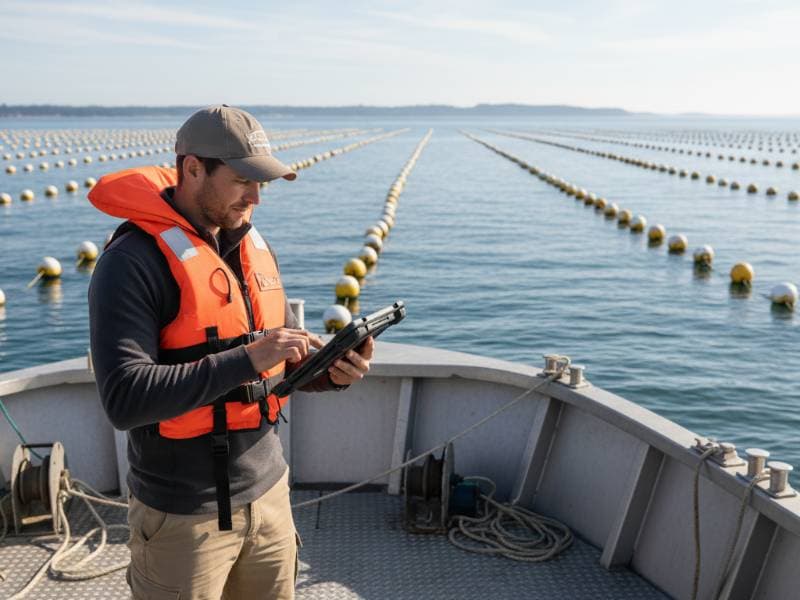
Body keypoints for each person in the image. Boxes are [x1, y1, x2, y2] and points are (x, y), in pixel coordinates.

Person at [87, 104, 373, 600]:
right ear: (193, 168)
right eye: (243, 179)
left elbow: (276, 363)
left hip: (270, 496)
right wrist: (247, 359)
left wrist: (331, 373)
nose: (257, 196)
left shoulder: (248, 246)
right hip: (183, 517)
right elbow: (124, 398)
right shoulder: (130, 262)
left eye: (262, 182)